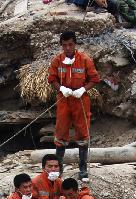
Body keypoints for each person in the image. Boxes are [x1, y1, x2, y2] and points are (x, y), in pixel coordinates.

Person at [48, 31, 100, 180]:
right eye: (64, 45)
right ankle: (58, 169)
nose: (68, 48)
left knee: (82, 132)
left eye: (70, 45)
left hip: (80, 100)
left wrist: (83, 89)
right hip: (63, 99)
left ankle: (83, 169)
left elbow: (95, 78)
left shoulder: (84, 60)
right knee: (61, 132)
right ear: (61, 46)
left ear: (75, 44)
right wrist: (61, 88)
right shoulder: (57, 61)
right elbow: (52, 79)